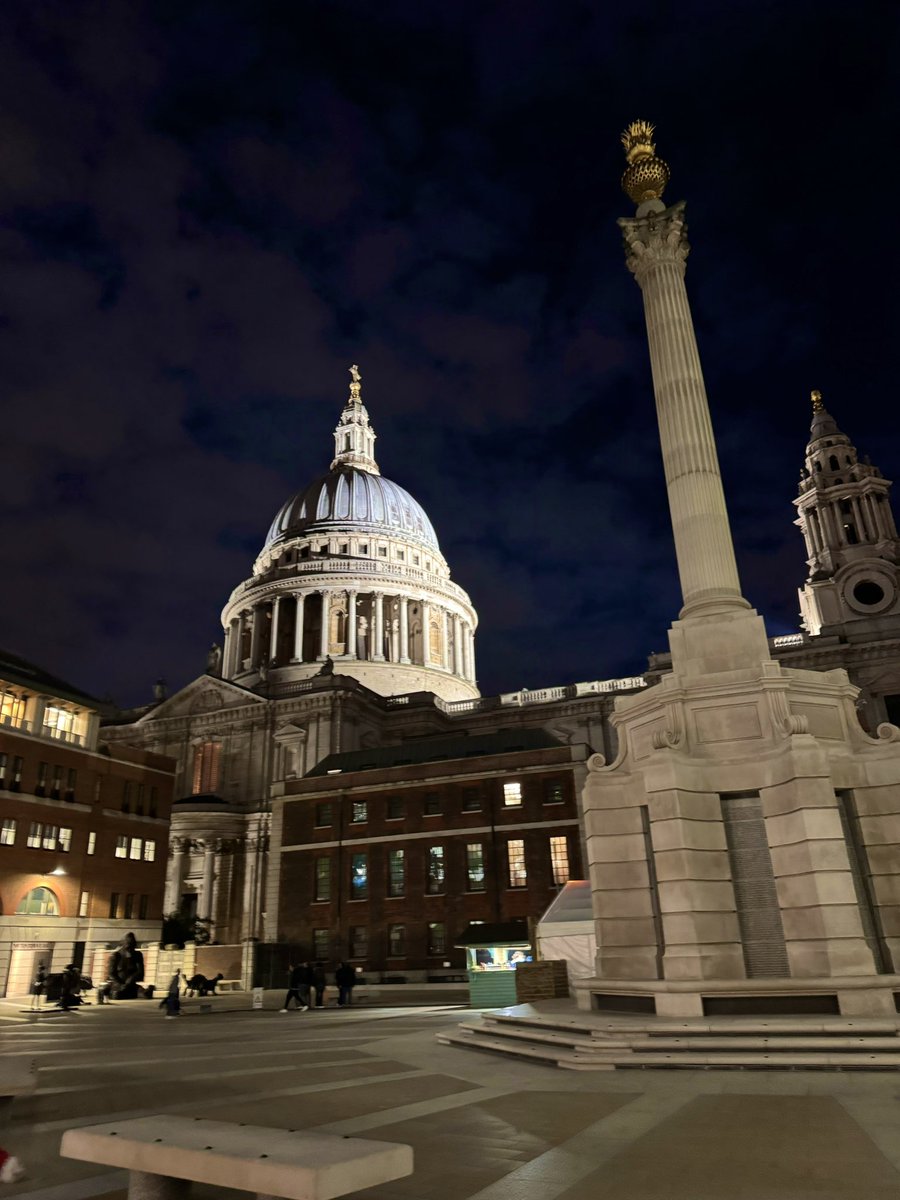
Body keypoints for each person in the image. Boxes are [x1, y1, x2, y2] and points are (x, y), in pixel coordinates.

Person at [108, 931, 144, 999]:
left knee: (144, 994)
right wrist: (120, 985)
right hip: (118, 984)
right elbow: (111, 974)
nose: (130, 950)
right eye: (128, 947)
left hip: (131, 985)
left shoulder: (137, 955)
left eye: (132, 947)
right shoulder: (116, 955)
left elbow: (140, 972)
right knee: (117, 994)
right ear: (124, 945)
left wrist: (131, 979)